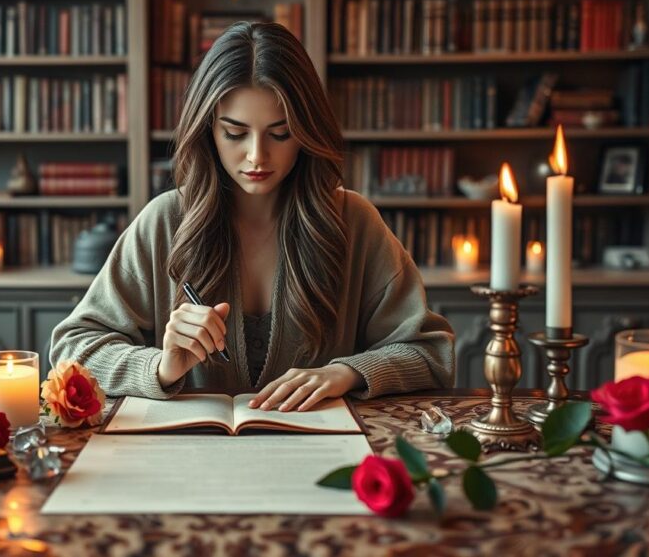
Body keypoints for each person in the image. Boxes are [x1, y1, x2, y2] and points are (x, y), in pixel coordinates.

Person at [50, 22, 454, 412]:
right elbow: (72, 349)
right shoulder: (164, 221)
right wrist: (160, 366)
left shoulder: (353, 221)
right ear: (207, 129)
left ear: (307, 131)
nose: (257, 156)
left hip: (320, 455)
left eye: (280, 134)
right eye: (235, 133)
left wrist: (347, 372)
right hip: (191, 459)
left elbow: (431, 353)